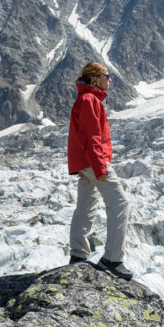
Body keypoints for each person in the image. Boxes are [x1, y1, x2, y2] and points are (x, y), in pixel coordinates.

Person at [67, 62, 133, 280]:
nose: (110, 79)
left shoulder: (87, 99)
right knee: (121, 202)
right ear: (96, 78)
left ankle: (78, 255)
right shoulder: (89, 100)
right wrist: (100, 166)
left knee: (86, 205)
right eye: (107, 75)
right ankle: (112, 259)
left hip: (85, 163)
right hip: (92, 162)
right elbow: (92, 136)